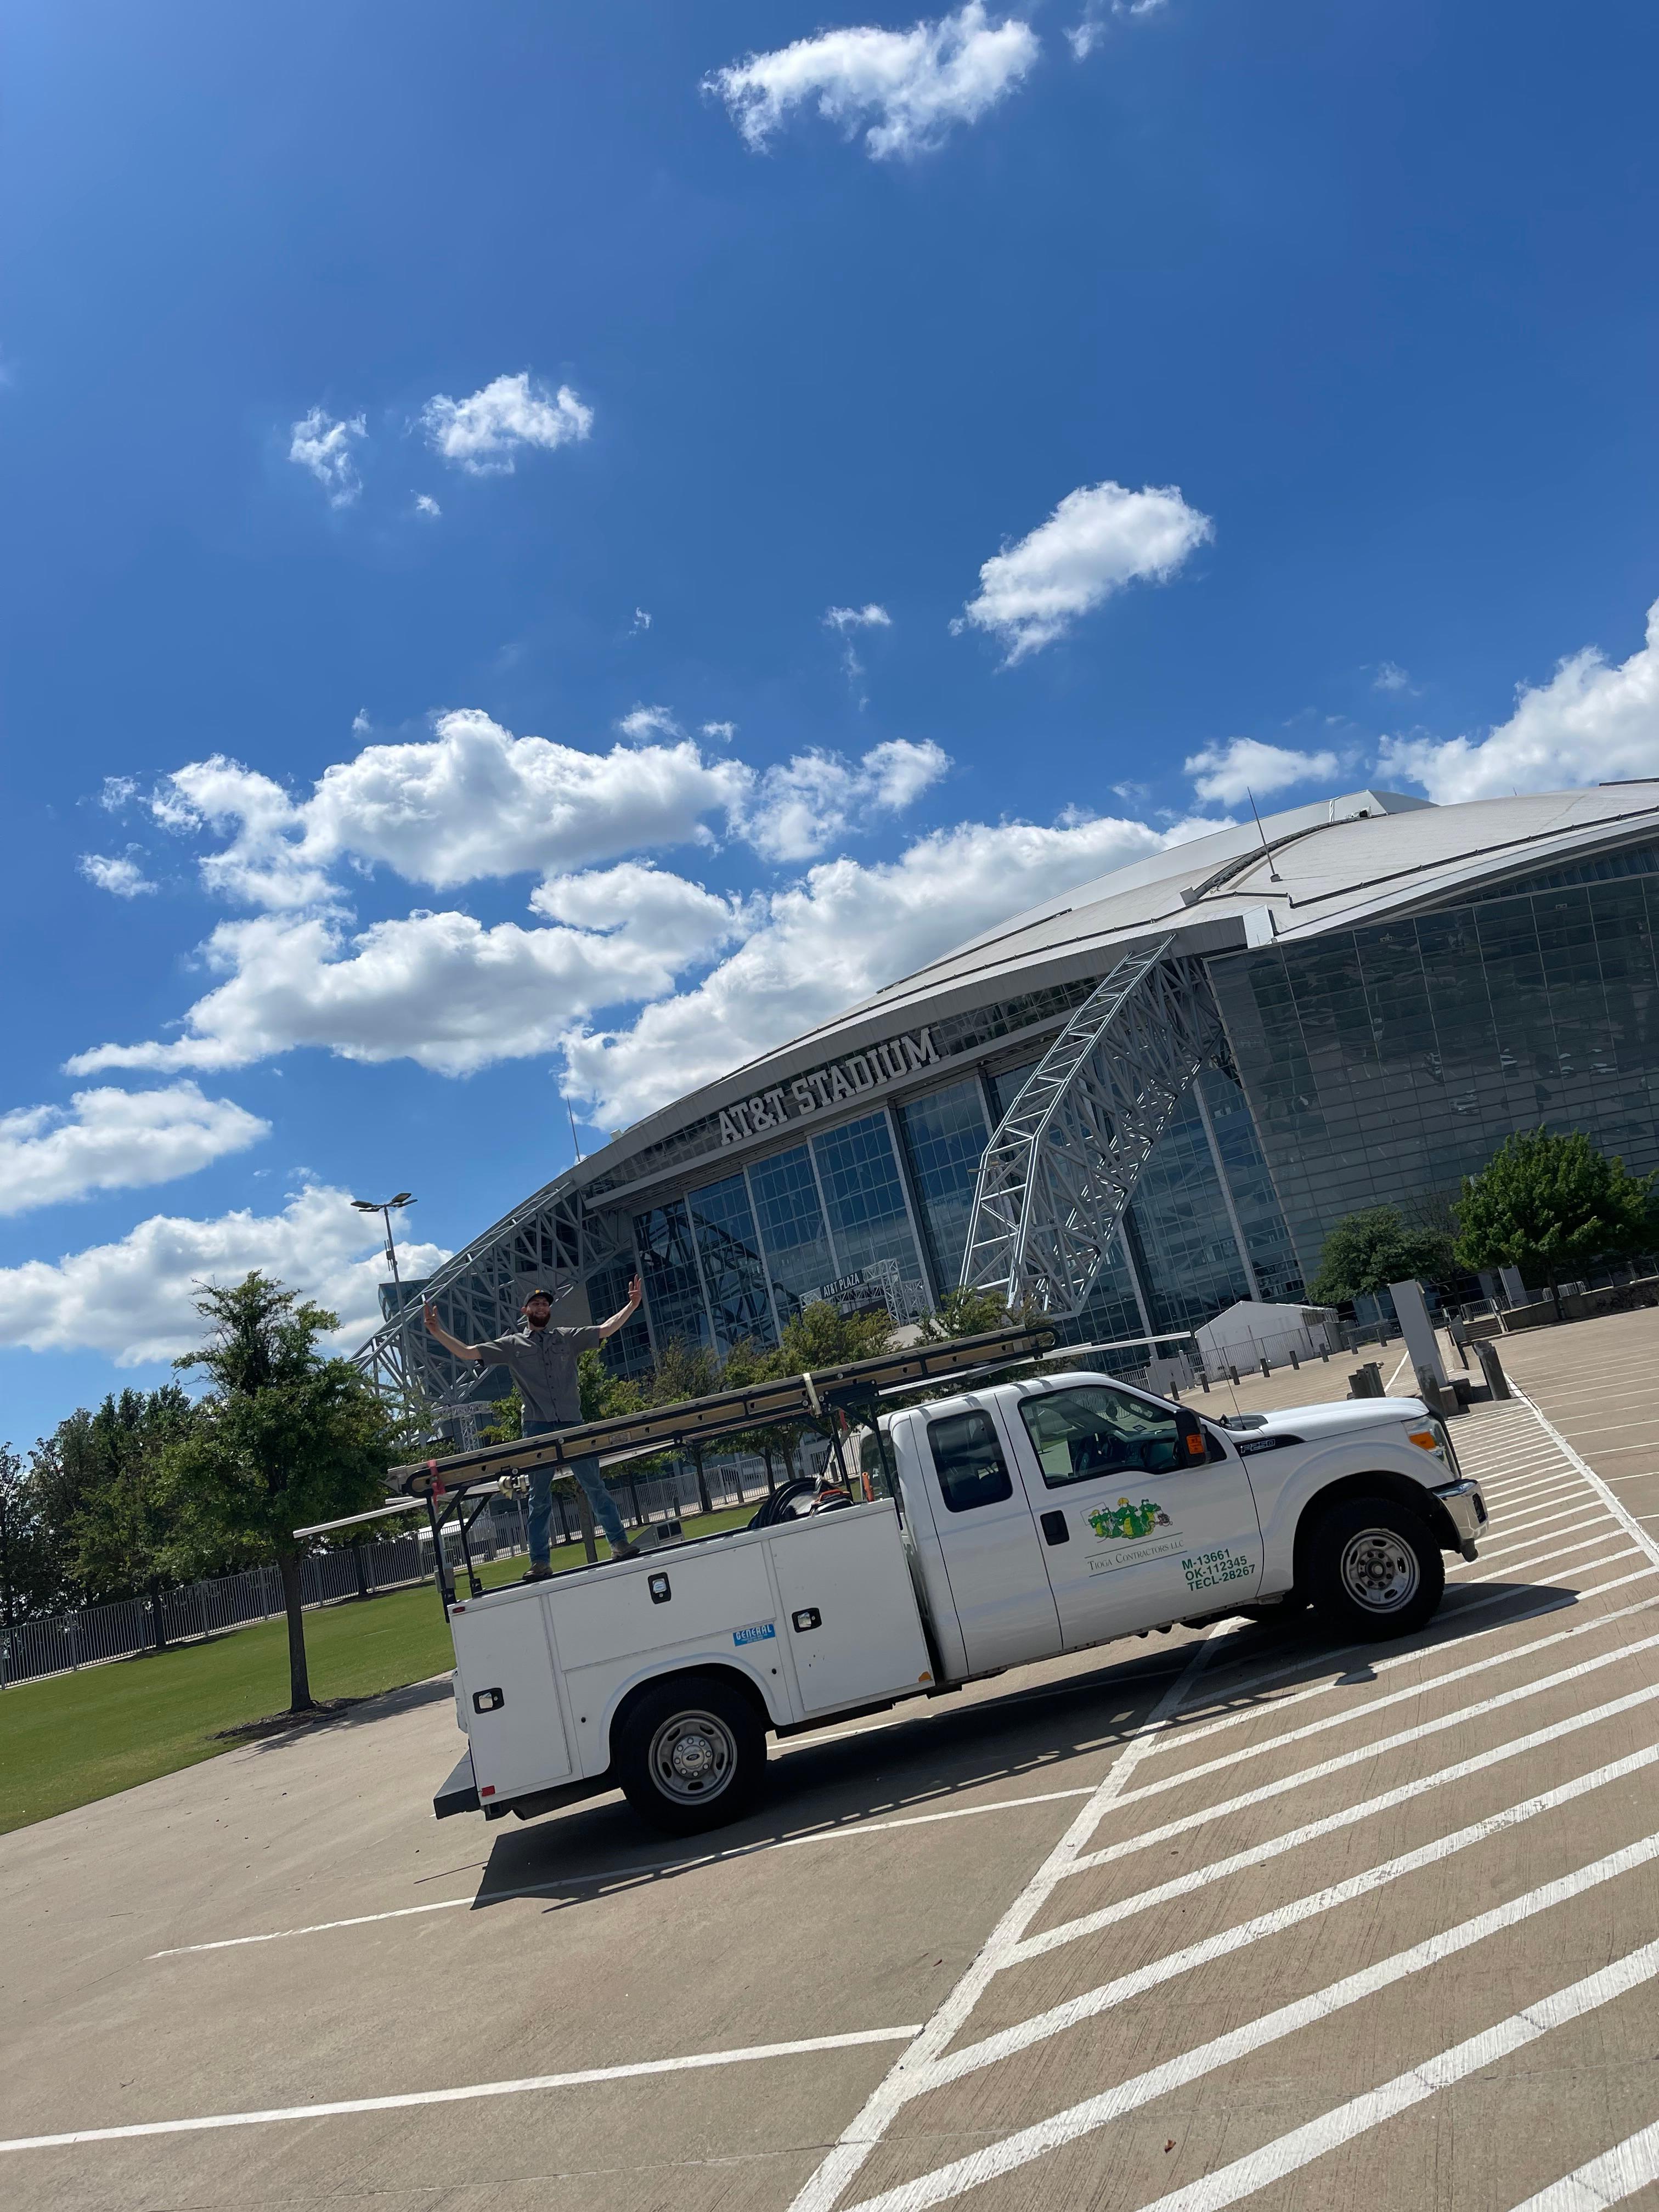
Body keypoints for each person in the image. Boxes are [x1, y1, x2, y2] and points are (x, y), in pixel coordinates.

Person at [423, 1278, 646, 1576]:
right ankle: (540, 1562)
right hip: (537, 1427)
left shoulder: (567, 1337)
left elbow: (605, 1329)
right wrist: (438, 1332)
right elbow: (467, 1352)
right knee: (538, 1498)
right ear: (525, 1309)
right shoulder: (512, 1345)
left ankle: (619, 1543)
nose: (542, 1307)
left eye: (546, 1304)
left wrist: (631, 1305)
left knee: (595, 1487)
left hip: (571, 1423)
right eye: (536, 1304)